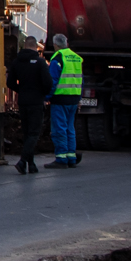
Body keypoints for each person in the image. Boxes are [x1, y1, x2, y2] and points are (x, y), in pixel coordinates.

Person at [7, 36, 53, 176]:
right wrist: (42, 94)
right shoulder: (40, 63)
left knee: (27, 133)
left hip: (23, 101)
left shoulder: (16, 62)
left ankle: (31, 164)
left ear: (25, 46)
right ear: (35, 47)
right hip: (36, 102)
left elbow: (10, 82)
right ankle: (22, 161)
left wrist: (21, 90)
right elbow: (48, 83)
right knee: (34, 133)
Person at [48, 34, 85, 167]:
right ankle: (71, 157)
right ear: (66, 44)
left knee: (59, 129)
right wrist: (79, 98)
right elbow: (81, 80)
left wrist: (47, 97)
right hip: (74, 99)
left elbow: (52, 81)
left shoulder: (57, 58)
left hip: (60, 99)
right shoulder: (76, 58)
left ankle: (61, 158)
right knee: (70, 129)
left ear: (55, 45)